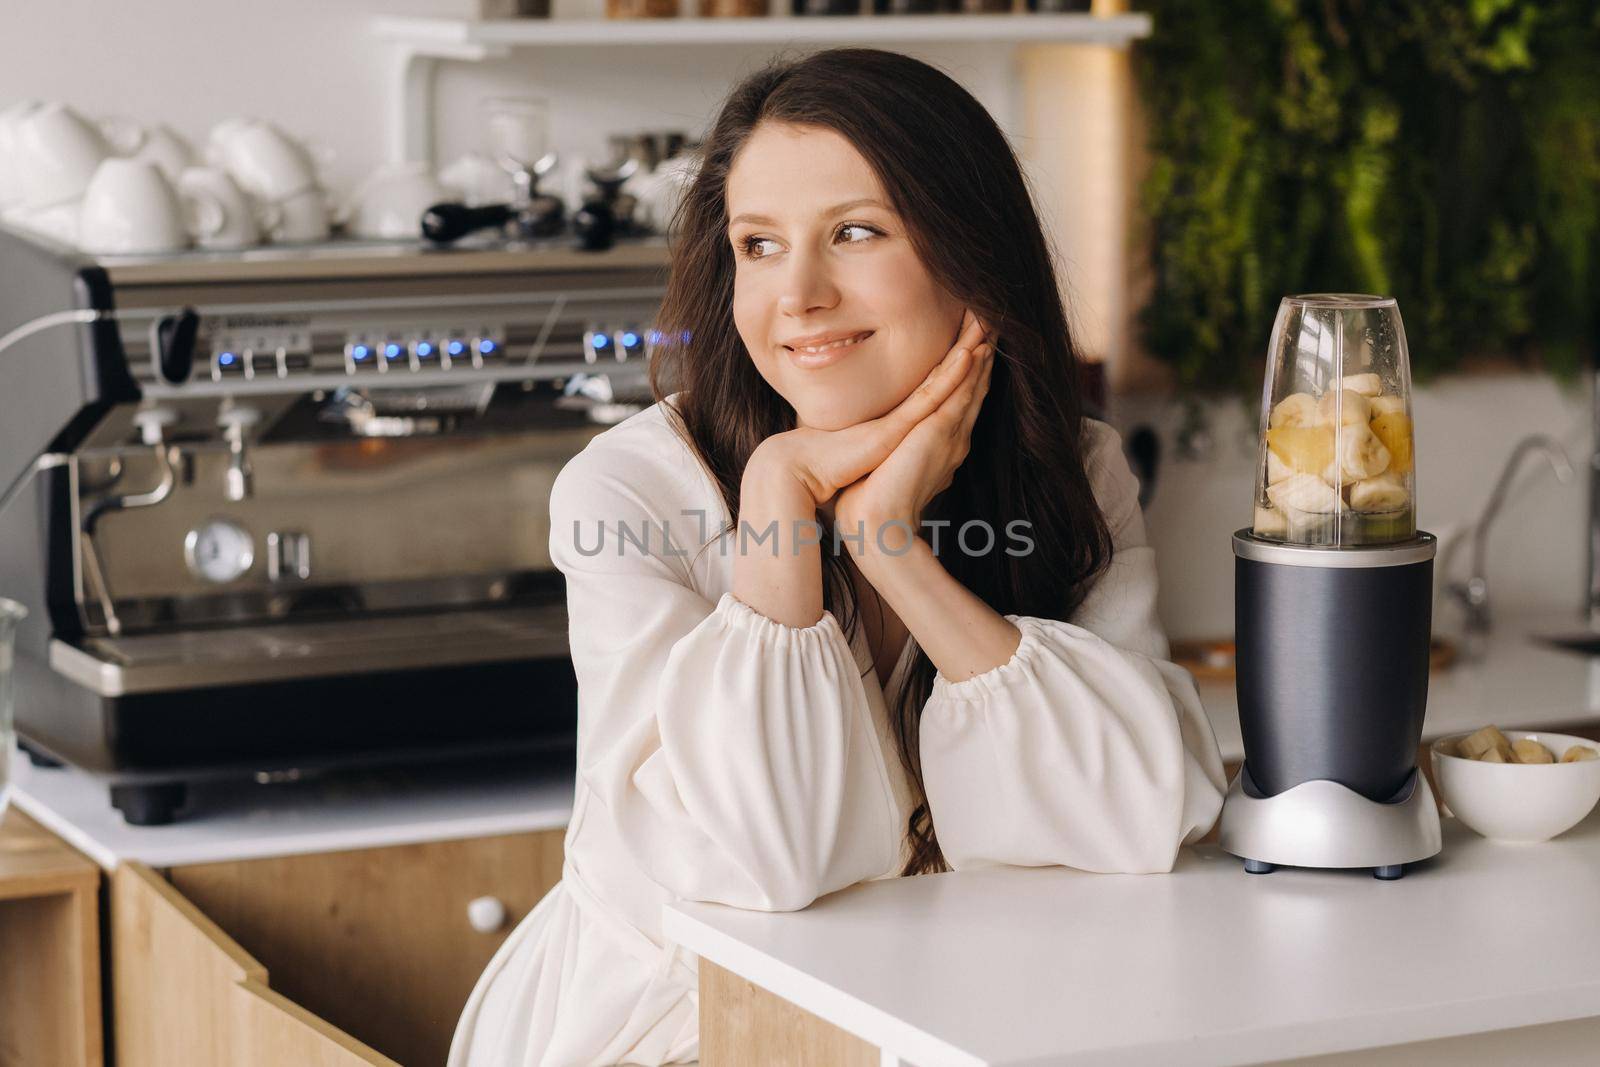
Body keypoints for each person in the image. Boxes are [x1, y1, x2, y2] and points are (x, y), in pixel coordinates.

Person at [449, 47, 1226, 1067]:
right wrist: (780, 493)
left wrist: (889, 544)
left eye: (854, 233)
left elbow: (1134, 810)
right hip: (674, 1029)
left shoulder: (1075, 467)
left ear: (969, 254)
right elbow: (752, 862)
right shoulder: (631, 492)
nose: (799, 294)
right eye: (759, 245)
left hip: (960, 1018)